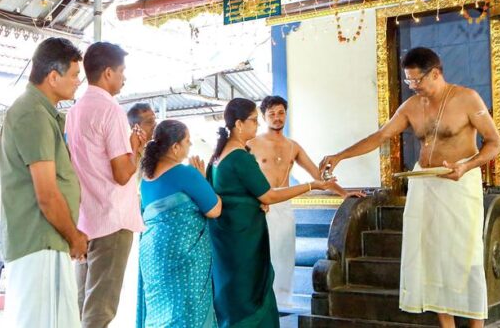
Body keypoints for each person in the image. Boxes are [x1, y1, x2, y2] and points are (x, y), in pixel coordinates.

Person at [319, 47, 500, 328]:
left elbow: (494, 143)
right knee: (430, 255)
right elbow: (381, 135)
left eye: (417, 81)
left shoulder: (466, 98)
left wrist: (467, 165)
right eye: (409, 82)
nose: (413, 87)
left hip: (458, 181)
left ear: (436, 73)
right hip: (423, 183)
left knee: (465, 257)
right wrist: (340, 155)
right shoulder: (412, 106)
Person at [208, 98, 339, 328]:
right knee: (251, 291)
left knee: (246, 285)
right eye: (254, 120)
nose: (257, 125)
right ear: (239, 124)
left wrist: (343, 192)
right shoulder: (240, 155)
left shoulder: (219, 156)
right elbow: (267, 195)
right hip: (242, 235)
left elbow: (226, 193)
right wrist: (310, 186)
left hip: (230, 234)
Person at [0, 37, 88, 327]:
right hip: (40, 244)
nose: (78, 82)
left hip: (47, 244)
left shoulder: (42, 113)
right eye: (74, 75)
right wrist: (74, 236)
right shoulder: (33, 113)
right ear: (53, 77)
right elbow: (47, 194)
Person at [249, 95, 362, 309]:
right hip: (260, 205)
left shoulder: (293, 146)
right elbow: (242, 176)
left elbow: (318, 175)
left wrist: (344, 194)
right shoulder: (252, 144)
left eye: (281, 112)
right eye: (271, 114)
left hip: (284, 205)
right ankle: (260, 303)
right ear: (264, 117)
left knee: (284, 254)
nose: (277, 117)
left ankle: (281, 303)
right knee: (262, 255)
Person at [66, 42, 146, 328]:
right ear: (109, 73)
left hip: (86, 219)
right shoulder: (111, 110)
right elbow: (122, 173)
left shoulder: (74, 112)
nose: (124, 78)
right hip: (112, 219)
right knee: (100, 310)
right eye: (122, 71)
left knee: (83, 304)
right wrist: (135, 148)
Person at [137, 120, 221, 328]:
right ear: (175, 147)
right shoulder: (186, 173)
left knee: (161, 313)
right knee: (187, 313)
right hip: (183, 256)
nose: (189, 146)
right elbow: (214, 209)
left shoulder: (145, 178)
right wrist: (204, 180)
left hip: (152, 257)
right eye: (187, 142)